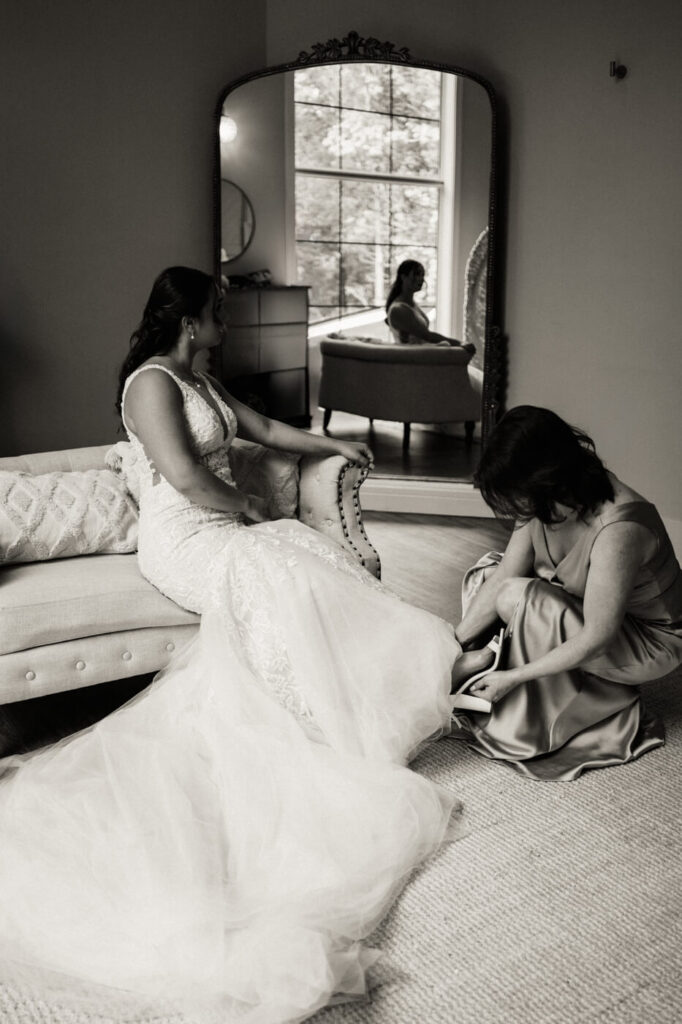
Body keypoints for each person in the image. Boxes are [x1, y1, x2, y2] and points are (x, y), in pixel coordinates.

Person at [0, 267, 465, 1023]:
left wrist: (339, 450)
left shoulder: (205, 383)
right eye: (218, 314)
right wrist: (247, 511)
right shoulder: (151, 383)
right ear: (189, 320)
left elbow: (271, 432)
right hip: (184, 537)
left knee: (315, 561)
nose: (226, 324)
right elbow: (184, 478)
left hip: (223, 525)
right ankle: (322, 718)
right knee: (276, 564)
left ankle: (418, 672)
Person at [450, 405, 682, 781]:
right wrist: (452, 645)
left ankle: (597, 703)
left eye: (515, 498)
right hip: (593, 612)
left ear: (546, 481)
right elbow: (506, 572)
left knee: (519, 597)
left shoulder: (618, 530)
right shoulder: (545, 501)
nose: (512, 509)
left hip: (648, 640)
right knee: (490, 573)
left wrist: (516, 678)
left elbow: (597, 637)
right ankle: (479, 665)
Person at [385, 259, 475, 354]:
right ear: (403, 277)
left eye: (422, 275)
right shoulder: (398, 309)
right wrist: (459, 343)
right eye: (416, 274)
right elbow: (427, 336)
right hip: (410, 360)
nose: (421, 278)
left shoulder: (412, 304)